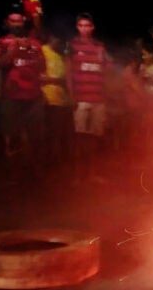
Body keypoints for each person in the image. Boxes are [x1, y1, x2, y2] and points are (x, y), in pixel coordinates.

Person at [0, 6, 46, 182]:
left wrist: (33, 54)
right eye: (12, 21)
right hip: (11, 97)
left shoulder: (35, 43)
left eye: (19, 20)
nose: (16, 24)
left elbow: (42, 67)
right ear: (8, 23)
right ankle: (14, 175)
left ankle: (35, 172)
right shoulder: (0, 42)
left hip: (33, 97)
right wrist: (12, 51)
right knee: (12, 138)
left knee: (35, 138)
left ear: (24, 22)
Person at [66, 13, 110, 183]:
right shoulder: (72, 46)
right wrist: (72, 96)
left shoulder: (100, 46)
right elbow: (69, 72)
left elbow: (106, 71)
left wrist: (107, 95)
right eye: (81, 26)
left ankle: (93, 173)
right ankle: (78, 174)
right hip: (81, 99)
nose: (84, 29)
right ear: (77, 27)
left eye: (87, 25)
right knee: (80, 138)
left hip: (98, 99)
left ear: (93, 27)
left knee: (95, 138)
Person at [41, 31, 71, 180]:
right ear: (53, 38)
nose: (61, 45)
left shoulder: (60, 57)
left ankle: (58, 167)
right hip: (47, 100)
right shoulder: (42, 51)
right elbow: (39, 77)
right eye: (59, 41)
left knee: (59, 135)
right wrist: (58, 81)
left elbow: (65, 80)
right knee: (51, 136)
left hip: (61, 102)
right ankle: (50, 167)